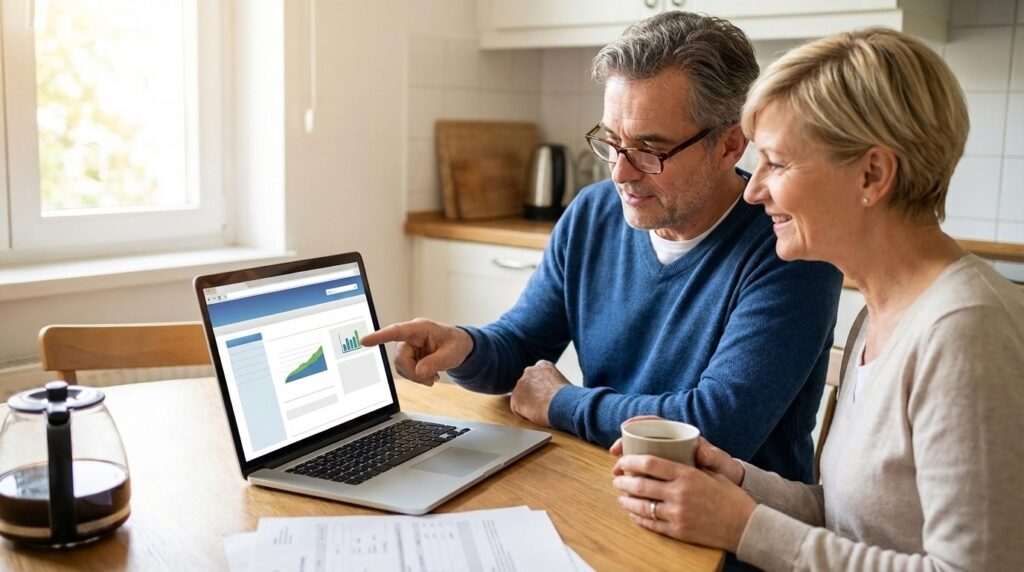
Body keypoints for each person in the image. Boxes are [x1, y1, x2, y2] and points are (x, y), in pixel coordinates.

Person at [362, 12, 843, 483]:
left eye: (650, 150)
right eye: (612, 141)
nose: (620, 172)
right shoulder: (594, 213)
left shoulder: (791, 246)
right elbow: (524, 347)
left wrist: (563, 402)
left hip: (731, 536)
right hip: (609, 483)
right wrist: (463, 347)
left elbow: (715, 426)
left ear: (729, 146)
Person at [611, 27, 1024, 570]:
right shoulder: (881, 316)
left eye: (777, 163)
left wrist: (743, 527)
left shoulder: (965, 332)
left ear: (872, 175)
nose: (754, 190)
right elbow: (850, 521)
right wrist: (736, 479)